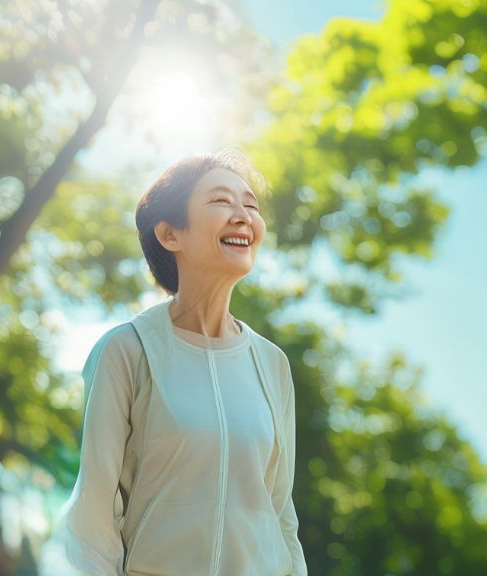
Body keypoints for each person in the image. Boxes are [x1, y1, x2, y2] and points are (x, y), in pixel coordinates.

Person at [56, 149, 308, 576]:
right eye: (220, 201)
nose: (243, 215)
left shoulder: (272, 365)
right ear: (170, 234)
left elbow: (281, 516)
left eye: (250, 205)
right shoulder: (128, 350)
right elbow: (92, 518)